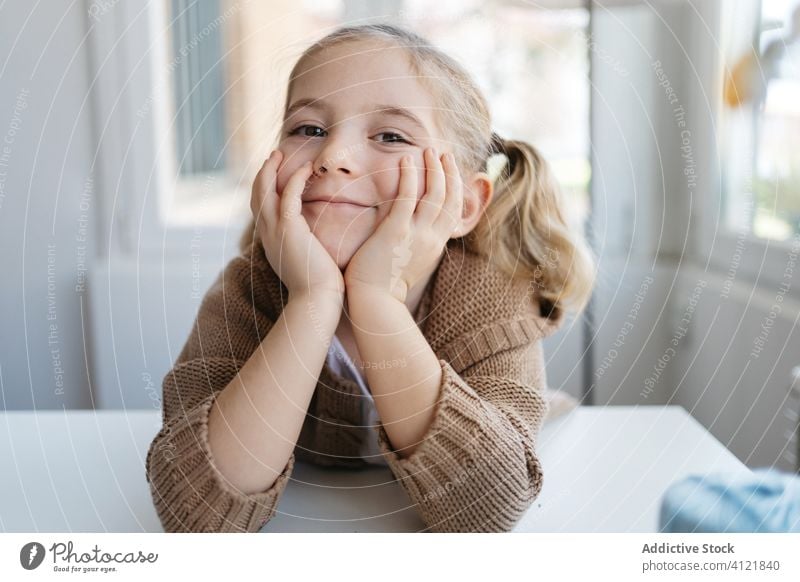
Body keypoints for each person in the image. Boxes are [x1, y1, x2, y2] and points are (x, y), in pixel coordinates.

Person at [145, 22, 596, 533]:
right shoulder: (249, 291)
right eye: (308, 129)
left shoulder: (492, 297)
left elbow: (489, 510)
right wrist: (311, 301)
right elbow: (196, 516)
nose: (332, 157)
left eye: (390, 136)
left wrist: (376, 300)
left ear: (465, 206)